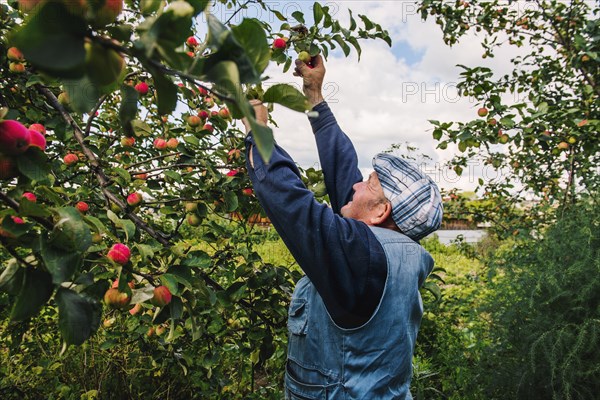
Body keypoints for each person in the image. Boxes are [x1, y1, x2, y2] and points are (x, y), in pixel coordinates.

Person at [242, 55, 443, 399]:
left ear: (381, 210)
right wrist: (314, 94)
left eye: (369, 182)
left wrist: (257, 128)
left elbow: (288, 199)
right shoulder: (391, 251)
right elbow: (342, 168)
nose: (355, 186)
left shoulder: (360, 256)